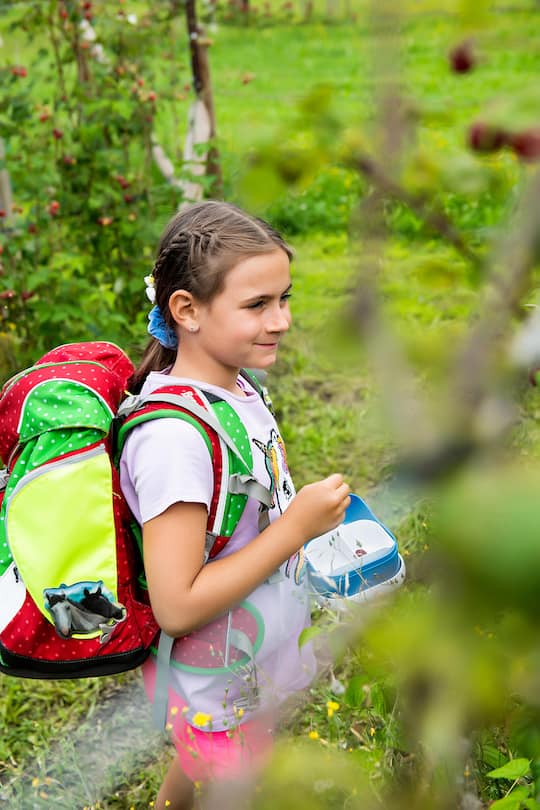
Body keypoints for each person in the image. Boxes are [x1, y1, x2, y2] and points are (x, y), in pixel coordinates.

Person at [120, 200, 351, 810]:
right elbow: (177, 604)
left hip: (246, 658)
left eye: (284, 298)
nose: (281, 320)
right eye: (257, 305)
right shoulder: (173, 439)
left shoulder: (233, 387)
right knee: (229, 777)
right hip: (214, 675)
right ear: (186, 310)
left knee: (204, 765)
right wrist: (297, 528)